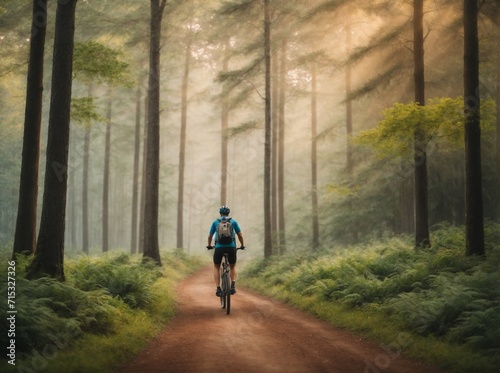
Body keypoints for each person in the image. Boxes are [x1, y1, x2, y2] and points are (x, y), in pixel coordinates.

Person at [207, 205, 244, 296]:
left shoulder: (215, 222)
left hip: (219, 248)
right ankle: (233, 285)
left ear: (220, 213)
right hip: (231, 247)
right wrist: (242, 245)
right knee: (233, 266)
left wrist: (209, 245)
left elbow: (210, 236)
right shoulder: (233, 222)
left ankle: (218, 289)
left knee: (216, 266)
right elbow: (240, 235)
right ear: (228, 213)